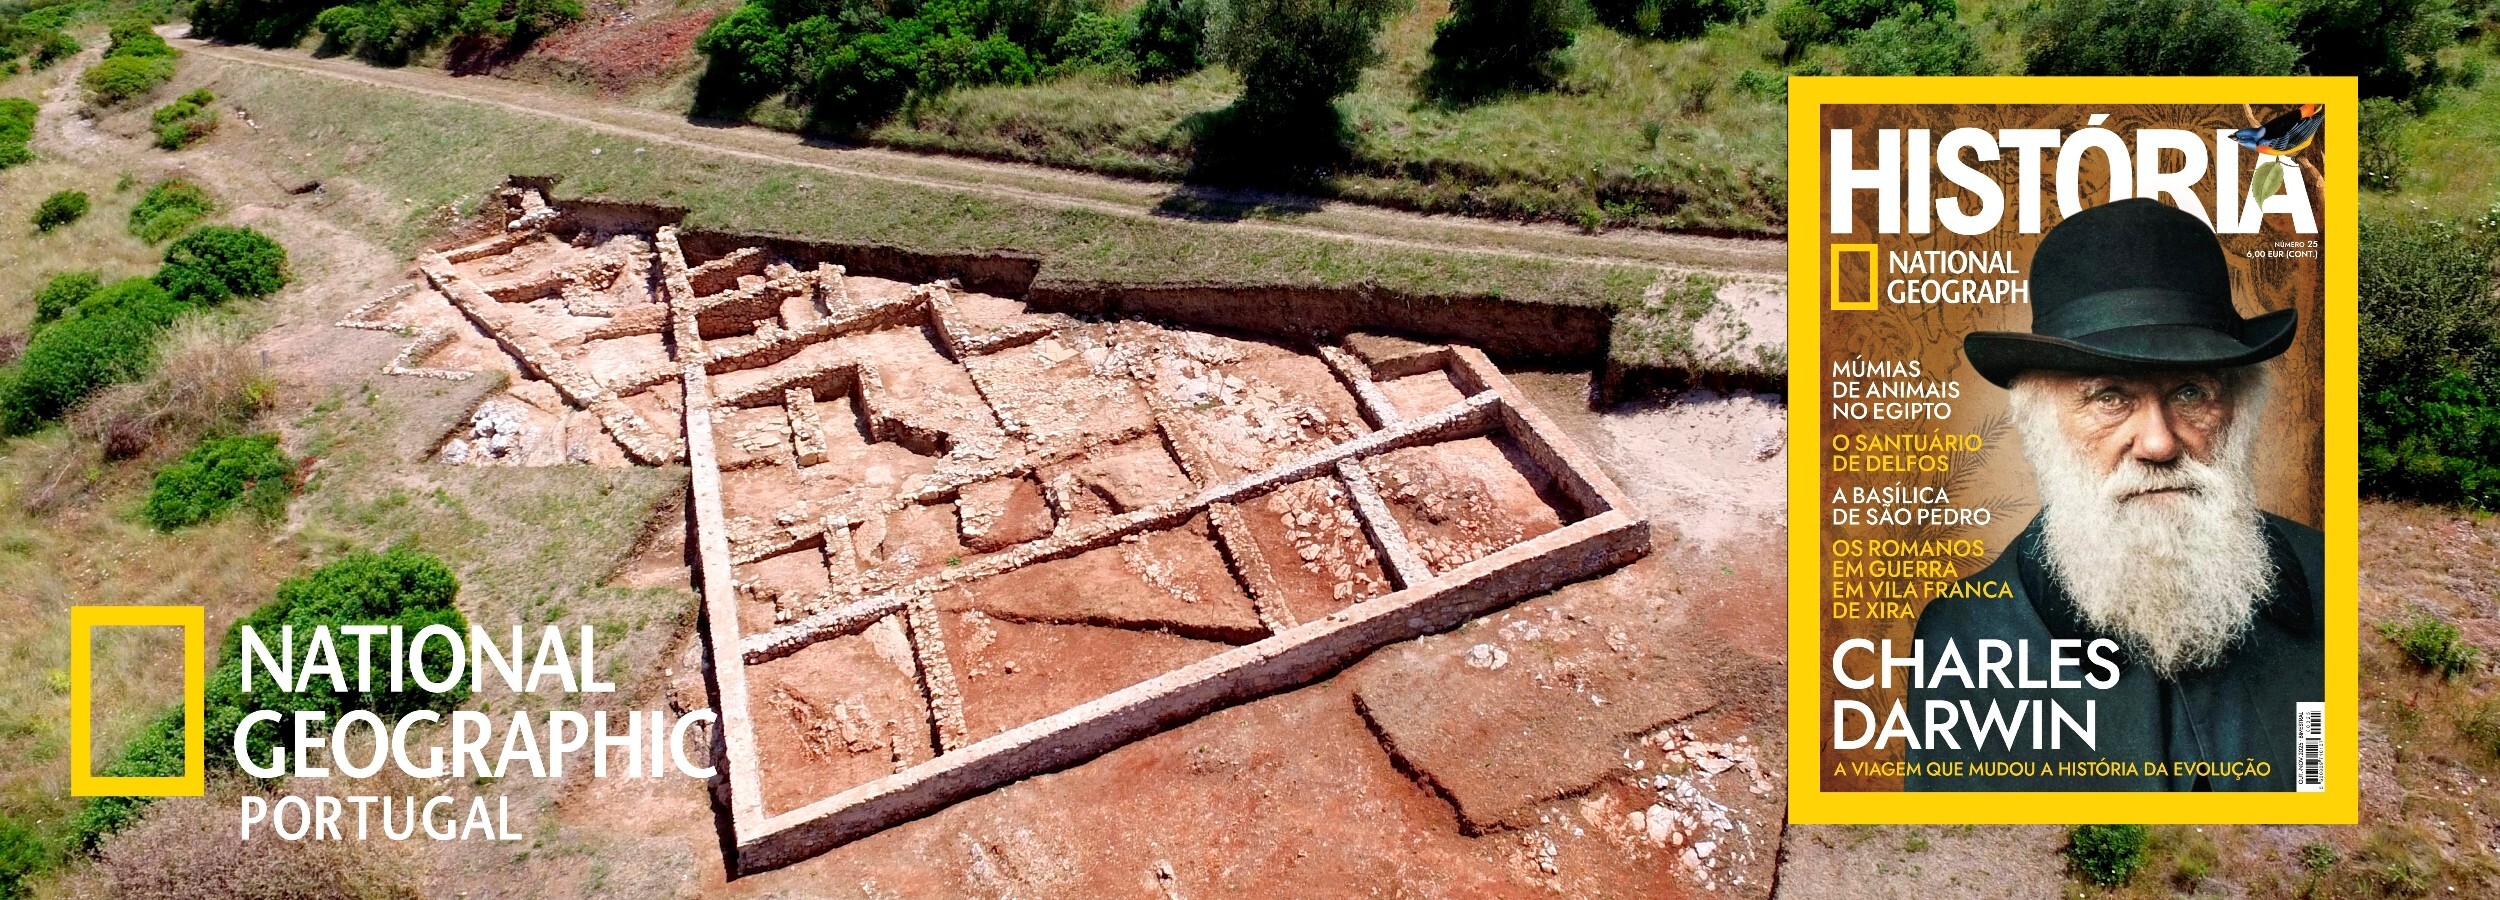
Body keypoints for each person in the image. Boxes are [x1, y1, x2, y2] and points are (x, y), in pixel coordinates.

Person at [1905, 198, 2322, 791]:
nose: (2157, 443)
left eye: (2190, 392)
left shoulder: (2330, 579)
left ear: (2238, 409)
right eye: (2110, 397)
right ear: (2044, 422)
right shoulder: (1965, 636)